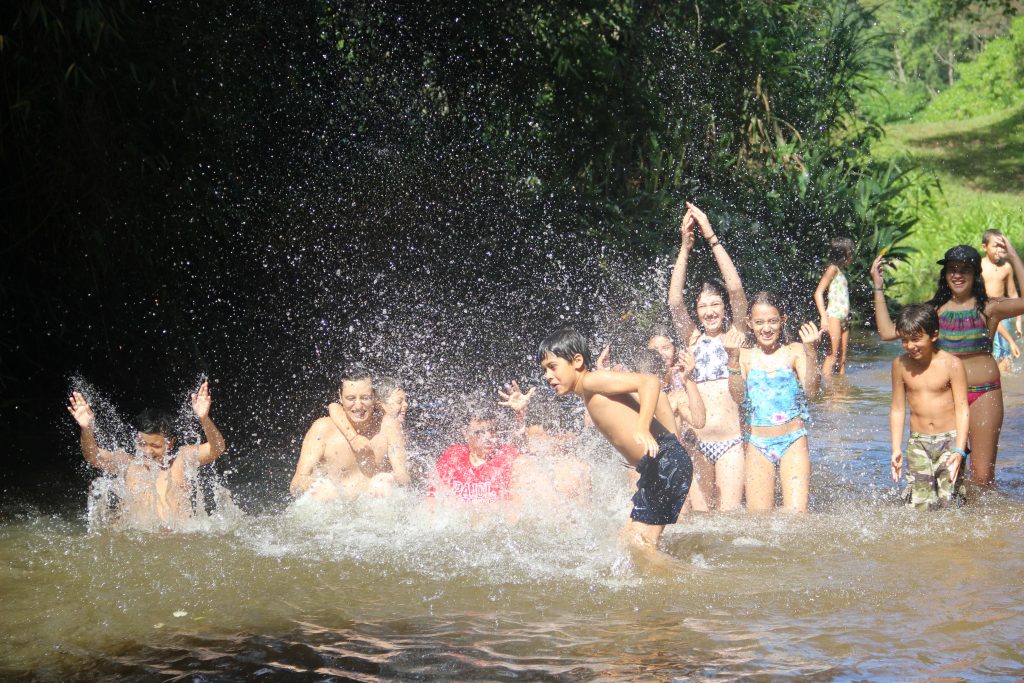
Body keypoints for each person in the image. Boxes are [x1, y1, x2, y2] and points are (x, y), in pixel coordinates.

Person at [872, 241, 1024, 486]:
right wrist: (878, 288)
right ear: (944, 275)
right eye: (952, 269)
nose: (958, 274)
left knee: (983, 477)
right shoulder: (933, 311)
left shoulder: (991, 307)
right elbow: (888, 332)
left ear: (975, 274)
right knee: (949, 476)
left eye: (965, 269)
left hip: (985, 394)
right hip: (946, 397)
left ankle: (981, 523)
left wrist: (1014, 257)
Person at [538, 327, 692, 560]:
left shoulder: (591, 380)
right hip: (660, 465)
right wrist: (671, 448)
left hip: (664, 464)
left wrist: (643, 428)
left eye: (553, 367)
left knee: (641, 547)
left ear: (577, 361)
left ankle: (694, 585)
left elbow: (650, 383)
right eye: (544, 370)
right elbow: (654, 401)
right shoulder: (590, 391)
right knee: (629, 542)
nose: (547, 376)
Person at [668, 201, 748, 511]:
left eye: (715, 304)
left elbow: (737, 289)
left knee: (728, 519)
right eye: (702, 306)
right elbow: (675, 300)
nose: (709, 310)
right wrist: (685, 248)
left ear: (724, 308)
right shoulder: (692, 339)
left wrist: (711, 236)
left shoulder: (735, 334)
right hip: (697, 443)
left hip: (730, 443)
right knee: (701, 521)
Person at [66, 381, 227, 526]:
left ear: (170, 442)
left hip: (177, 540)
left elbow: (217, 448)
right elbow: (93, 456)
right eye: (142, 444)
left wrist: (204, 419)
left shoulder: (181, 460)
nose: (148, 451)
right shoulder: (127, 463)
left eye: (155, 446)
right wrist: (87, 429)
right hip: (139, 541)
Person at [727, 292, 820, 512]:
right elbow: (738, 397)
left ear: (783, 320)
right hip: (757, 443)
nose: (766, 328)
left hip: (793, 441)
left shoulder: (795, 351)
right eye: (759, 322)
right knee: (759, 521)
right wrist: (731, 358)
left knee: (798, 518)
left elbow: (812, 392)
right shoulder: (744, 356)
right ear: (749, 323)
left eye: (772, 321)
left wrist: (811, 352)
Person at [889, 304, 969, 510]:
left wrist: (960, 449)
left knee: (950, 501)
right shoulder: (900, 365)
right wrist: (896, 448)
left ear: (934, 335)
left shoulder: (952, 364)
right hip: (918, 443)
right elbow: (898, 408)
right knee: (919, 504)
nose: (909, 345)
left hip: (950, 442)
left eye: (916, 339)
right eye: (904, 340)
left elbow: (962, 408)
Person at [290, 365, 409, 501]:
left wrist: (389, 479)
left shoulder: (388, 427)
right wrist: (313, 486)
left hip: (374, 512)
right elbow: (295, 485)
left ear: (375, 397)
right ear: (340, 397)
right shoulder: (322, 429)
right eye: (351, 398)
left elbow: (404, 477)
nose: (358, 406)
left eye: (365, 398)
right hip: (333, 513)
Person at [430, 404, 519, 503]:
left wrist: (520, 416)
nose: (488, 437)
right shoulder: (453, 456)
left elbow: (524, 455)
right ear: (465, 433)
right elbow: (432, 502)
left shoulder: (505, 455)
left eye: (492, 430)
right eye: (479, 432)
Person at [980, 229, 1021, 372]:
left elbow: (1013, 294)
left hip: (1002, 314)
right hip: (984, 312)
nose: (999, 250)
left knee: (1004, 352)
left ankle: (1002, 382)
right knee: (987, 350)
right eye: (995, 246)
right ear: (984, 247)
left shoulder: (1006, 267)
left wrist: (1018, 321)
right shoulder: (979, 266)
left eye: (1002, 246)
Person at [814, 237, 854, 376]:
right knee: (832, 356)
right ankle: (826, 392)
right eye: (850, 253)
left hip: (843, 318)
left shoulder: (840, 271)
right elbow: (818, 292)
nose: (852, 256)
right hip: (834, 317)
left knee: (842, 359)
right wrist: (824, 317)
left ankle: (841, 391)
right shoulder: (832, 269)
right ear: (843, 253)